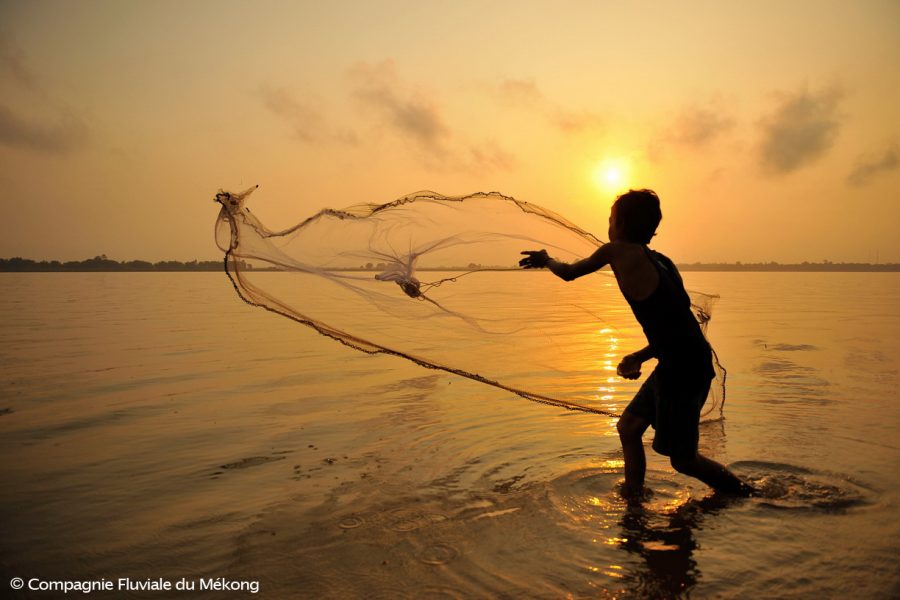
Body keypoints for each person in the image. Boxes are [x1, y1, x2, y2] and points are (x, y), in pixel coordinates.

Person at [519, 189, 754, 500]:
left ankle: (747, 494)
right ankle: (634, 499)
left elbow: (570, 273)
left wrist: (546, 260)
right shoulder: (663, 261)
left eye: (611, 218)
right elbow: (680, 327)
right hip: (682, 360)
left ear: (622, 223)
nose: (609, 224)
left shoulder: (616, 251)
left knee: (684, 460)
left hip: (682, 368)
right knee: (628, 428)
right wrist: (640, 356)